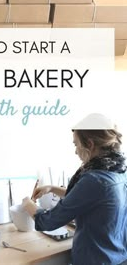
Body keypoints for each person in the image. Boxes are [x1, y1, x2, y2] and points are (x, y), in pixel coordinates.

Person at [22, 113, 127, 265]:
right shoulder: (118, 170)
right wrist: (52, 188)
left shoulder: (95, 180)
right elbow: (92, 198)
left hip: (97, 259)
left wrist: (27, 204)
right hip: (119, 256)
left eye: (76, 144)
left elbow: (47, 222)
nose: (76, 151)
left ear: (90, 144)